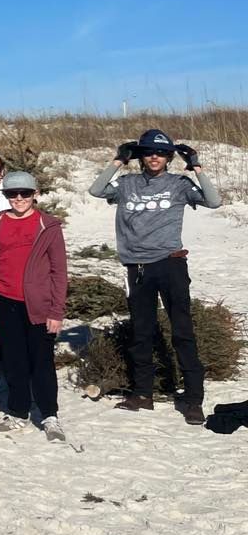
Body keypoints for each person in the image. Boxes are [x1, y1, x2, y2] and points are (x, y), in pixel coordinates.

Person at [89, 129, 222, 424]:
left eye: (161, 153)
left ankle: (193, 399)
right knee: (142, 332)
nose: (154, 157)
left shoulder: (179, 184)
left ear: (169, 158)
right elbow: (96, 190)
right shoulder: (126, 183)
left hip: (170, 264)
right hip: (136, 267)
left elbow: (214, 201)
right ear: (140, 156)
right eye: (148, 151)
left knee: (182, 331)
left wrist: (196, 166)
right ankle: (142, 394)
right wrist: (117, 161)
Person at [0, 172, 68, 439]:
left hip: (39, 304)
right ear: (5, 196)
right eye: (12, 194)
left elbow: (59, 271)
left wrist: (56, 311)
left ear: (35, 194)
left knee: (42, 362)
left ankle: (50, 416)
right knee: (14, 361)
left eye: (25, 194)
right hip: (4, 301)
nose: (19, 199)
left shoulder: (48, 226)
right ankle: (18, 412)